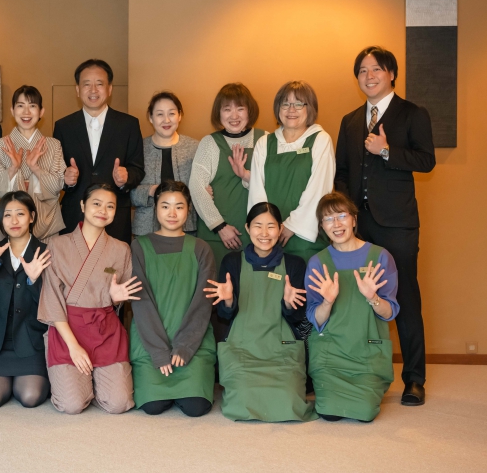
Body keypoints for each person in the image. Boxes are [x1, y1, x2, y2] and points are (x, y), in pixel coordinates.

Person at [334, 46, 435, 406]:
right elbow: (342, 171)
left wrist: (387, 151)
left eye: (376, 69)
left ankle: (414, 379)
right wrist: (345, 215)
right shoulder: (349, 120)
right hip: (358, 226)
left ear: (391, 74)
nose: (369, 76)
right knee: (358, 297)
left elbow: (426, 160)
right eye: (362, 70)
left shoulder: (412, 113)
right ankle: (363, 371)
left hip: (397, 223)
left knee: (404, 296)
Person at [204, 202, 316, 422]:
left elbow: (298, 319)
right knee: (241, 401)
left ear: (280, 229)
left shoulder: (294, 264)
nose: (264, 233)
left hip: (281, 351)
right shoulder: (232, 262)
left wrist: (289, 304)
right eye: (258, 226)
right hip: (242, 350)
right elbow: (224, 316)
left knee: (290, 402)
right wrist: (228, 301)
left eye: (271, 226)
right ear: (247, 228)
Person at [37, 184, 141, 414]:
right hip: (68, 330)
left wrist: (115, 300)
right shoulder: (57, 245)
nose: (103, 210)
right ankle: (83, 383)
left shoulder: (121, 249)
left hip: (106, 330)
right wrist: (73, 347)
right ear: (83, 206)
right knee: (71, 405)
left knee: (118, 404)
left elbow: (120, 295)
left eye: (110, 206)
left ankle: (95, 383)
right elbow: (52, 299)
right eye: (96, 204)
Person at [305, 192, 399, 422]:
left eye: (341, 216)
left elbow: (390, 313)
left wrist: (372, 297)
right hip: (330, 356)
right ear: (322, 226)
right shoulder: (317, 263)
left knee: (364, 413)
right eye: (328, 219)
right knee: (328, 413)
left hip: (366, 354)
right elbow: (315, 319)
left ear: (354, 219)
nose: (336, 224)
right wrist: (327, 301)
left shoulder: (380, 257)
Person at [129, 181, 216, 417]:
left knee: (196, 407)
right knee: (153, 407)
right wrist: (159, 351)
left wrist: (185, 346)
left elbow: (203, 304)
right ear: (156, 208)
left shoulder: (201, 248)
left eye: (179, 207)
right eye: (165, 206)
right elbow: (141, 302)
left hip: (193, 343)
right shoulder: (138, 247)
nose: (172, 213)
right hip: (149, 343)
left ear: (188, 210)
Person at [0, 191, 52, 408]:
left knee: (30, 397)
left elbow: (50, 308)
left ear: (32, 217)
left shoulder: (45, 253)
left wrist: (34, 280)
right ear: (1, 219)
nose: (14, 221)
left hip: (30, 341)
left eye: (20, 214)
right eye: (7, 215)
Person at [53, 59, 145, 242]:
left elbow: (138, 168)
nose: (93, 90)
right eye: (87, 84)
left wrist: (126, 178)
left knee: (114, 261)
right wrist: (65, 178)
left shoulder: (128, 125)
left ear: (109, 89)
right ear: (78, 89)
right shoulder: (63, 126)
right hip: (75, 214)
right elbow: (55, 170)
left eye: (99, 84)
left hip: (115, 216)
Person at [248, 81, 335, 263]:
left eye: (298, 104)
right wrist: (266, 228)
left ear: (310, 108)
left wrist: (291, 225)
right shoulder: (264, 143)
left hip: (305, 236)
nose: (291, 110)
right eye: (285, 104)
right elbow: (257, 191)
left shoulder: (320, 140)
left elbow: (319, 189)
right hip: (270, 237)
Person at [190, 83, 265, 266]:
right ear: (219, 113)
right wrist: (220, 226)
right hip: (217, 237)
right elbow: (197, 187)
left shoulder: (265, 140)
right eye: (227, 109)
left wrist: (246, 175)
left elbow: (274, 184)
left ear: (250, 111)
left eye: (240, 108)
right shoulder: (209, 143)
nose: (234, 116)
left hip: (259, 237)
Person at [0, 85, 66, 240]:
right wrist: (13, 168)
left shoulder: (53, 145)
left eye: (32, 106)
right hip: (12, 224)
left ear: (41, 112)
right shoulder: (1, 145)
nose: (26, 112)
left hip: (47, 225)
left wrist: (35, 168)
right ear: (12, 111)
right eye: (20, 106)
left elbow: (58, 186)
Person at [131, 92, 200, 236]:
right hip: (146, 231)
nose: (166, 120)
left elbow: (204, 188)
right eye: (160, 114)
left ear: (179, 116)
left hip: (187, 229)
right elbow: (127, 193)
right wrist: (150, 191)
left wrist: (203, 191)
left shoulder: (195, 148)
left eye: (172, 113)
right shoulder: (138, 148)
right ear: (151, 118)